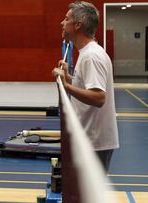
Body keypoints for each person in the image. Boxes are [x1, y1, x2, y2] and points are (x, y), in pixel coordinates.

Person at [52, 1, 119, 172]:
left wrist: (66, 86)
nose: (62, 22)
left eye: (66, 19)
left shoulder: (91, 56)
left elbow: (98, 97)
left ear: (78, 25)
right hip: (90, 140)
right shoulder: (87, 53)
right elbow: (88, 88)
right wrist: (70, 78)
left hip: (95, 143)